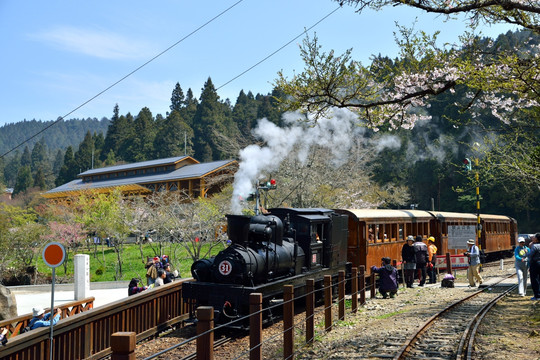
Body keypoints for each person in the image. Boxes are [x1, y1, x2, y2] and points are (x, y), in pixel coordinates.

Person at [528, 233, 540, 300]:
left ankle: (537, 296)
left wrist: (529, 265)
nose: (533, 238)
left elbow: (530, 256)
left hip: (535, 264)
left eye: (535, 237)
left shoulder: (534, 246)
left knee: (534, 280)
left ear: (537, 239)